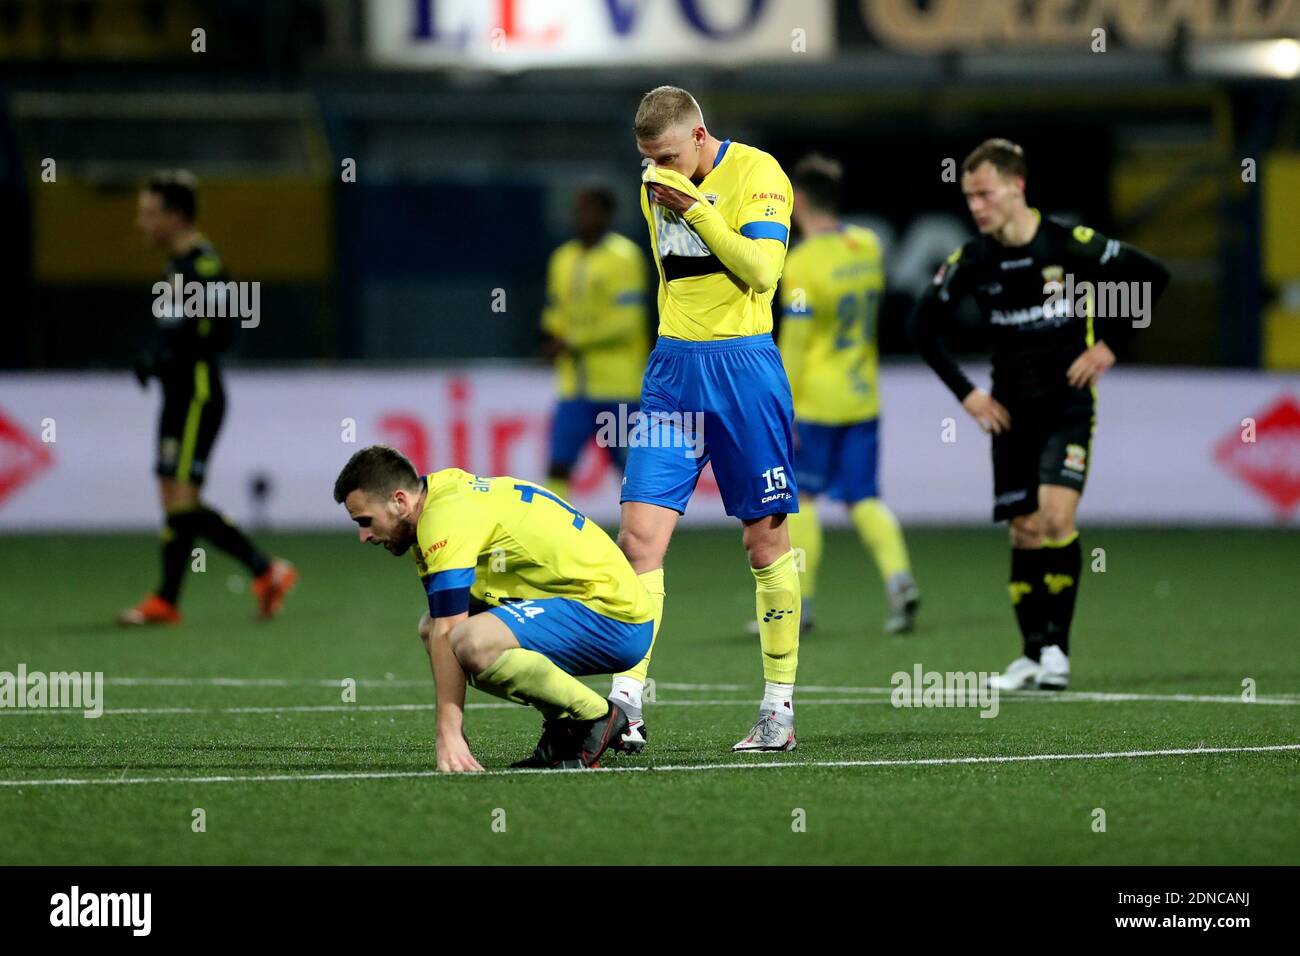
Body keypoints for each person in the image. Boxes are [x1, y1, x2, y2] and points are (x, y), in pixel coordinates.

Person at [910, 139, 1169, 689]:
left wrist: (1110, 347)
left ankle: (1059, 653)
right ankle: (1031, 653)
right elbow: (921, 327)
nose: (976, 206)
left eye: (985, 193)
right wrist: (968, 395)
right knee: (1025, 530)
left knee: (1055, 518)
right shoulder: (975, 259)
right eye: (969, 196)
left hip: (1068, 406)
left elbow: (1151, 275)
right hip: (1009, 413)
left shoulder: (1066, 243)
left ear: (1017, 186)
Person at [334, 445, 654, 771]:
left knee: (468, 641)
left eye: (365, 520)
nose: (364, 535)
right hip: (584, 604)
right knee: (432, 628)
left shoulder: (444, 518)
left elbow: (451, 629)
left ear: (400, 501)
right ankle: (564, 726)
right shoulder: (436, 499)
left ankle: (596, 716)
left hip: (613, 618)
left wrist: (449, 733)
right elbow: (440, 626)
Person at [119, 170, 295, 626]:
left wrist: (166, 356)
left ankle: (259, 570)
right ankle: (173, 598)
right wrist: (156, 355)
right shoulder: (178, 267)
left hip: (197, 395)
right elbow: (182, 330)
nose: (142, 224)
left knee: (180, 500)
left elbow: (222, 331)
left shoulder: (204, 267)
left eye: (150, 214)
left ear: (176, 217)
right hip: (178, 393)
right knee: (174, 497)